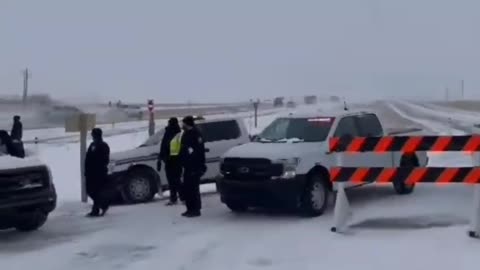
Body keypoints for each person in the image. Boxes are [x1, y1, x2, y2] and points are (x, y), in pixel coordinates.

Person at [179, 116, 206, 217]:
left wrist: (199, 165)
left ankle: (196, 209)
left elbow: (199, 151)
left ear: (187, 123)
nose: (182, 125)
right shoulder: (186, 133)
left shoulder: (196, 134)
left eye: (184, 123)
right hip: (187, 166)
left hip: (195, 166)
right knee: (187, 188)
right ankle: (189, 209)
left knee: (194, 189)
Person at [85, 128, 111, 217]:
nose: (92, 136)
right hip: (91, 173)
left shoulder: (103, 146)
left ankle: (98, 208)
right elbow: (88, 159)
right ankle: (101, 206)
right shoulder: (92, 145)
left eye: (93, 135)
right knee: (90, 190)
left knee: (96, 191)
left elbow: (105, 160)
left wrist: (98, 168)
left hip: (99, 173)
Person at [158, 117, 183, 205]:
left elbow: (168, 146)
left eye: (169, 123)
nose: (168, 124)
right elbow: (163, 146)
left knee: (176, 180)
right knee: (172, 181)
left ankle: (181, 197)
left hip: (175, 160)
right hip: (169, 161)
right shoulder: (169, 132)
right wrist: (161, 158)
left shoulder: (177, 133)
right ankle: (174, 198)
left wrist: (162, 157)